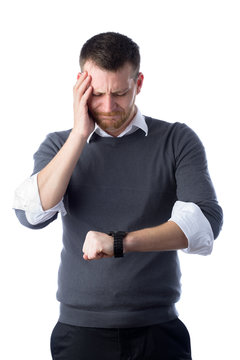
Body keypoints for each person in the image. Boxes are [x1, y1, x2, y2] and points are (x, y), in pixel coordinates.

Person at [13, 32, 223, 360]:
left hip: (158, 331)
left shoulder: (176, 140)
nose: (109, 106)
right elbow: (31, 215)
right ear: (80, 86)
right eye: (97, 94)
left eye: (120, 93)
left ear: (138, 83)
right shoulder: (59, 145)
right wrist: (80, 134)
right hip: (79, 332)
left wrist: (118, 243)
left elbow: (204, 223)